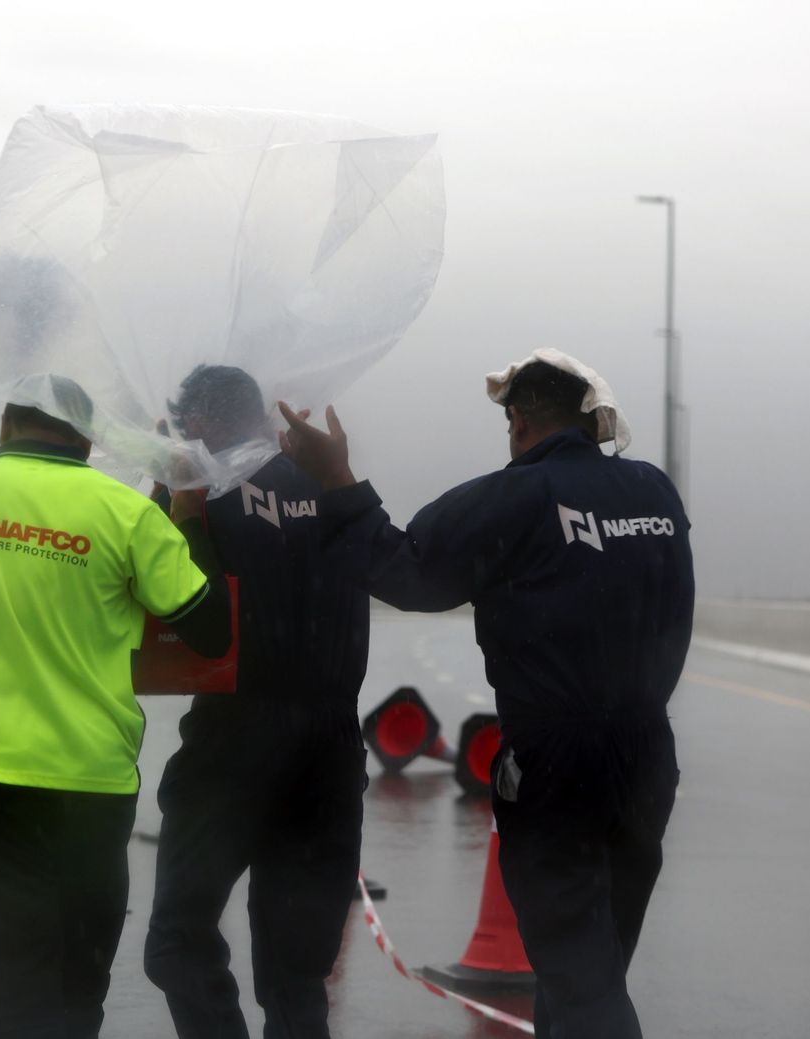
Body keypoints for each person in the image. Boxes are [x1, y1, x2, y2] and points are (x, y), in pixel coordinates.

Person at [277, 351, 694, 1039]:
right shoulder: (654, 491)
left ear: (521, 420)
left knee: (581, 980)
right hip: (648, 755)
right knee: (591, 969)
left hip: (560, 761)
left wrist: (338, 480)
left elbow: (409, 574)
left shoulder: (518, 497)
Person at [0, 376, 232, 1039]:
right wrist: (185, 508)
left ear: (5, 421)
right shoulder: (124, 512)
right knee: (74, 1001)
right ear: (88, 435)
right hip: (90, 793)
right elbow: (211, 631)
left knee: (4, 1004)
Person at [142, 365, 370, 1039]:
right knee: (297, 974)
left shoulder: (201, 494)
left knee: (179, 937)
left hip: (235, 741)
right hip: (330, 748)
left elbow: (167, 596)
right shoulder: (330, 486)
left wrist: (170, 491)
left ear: (200, 424)